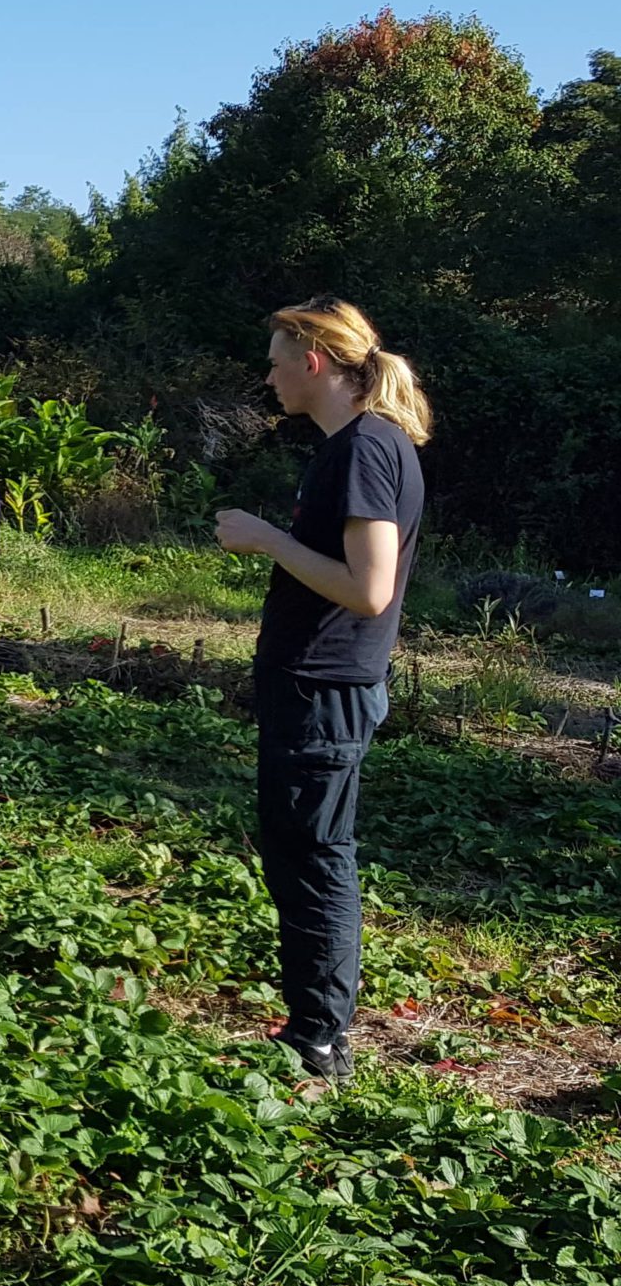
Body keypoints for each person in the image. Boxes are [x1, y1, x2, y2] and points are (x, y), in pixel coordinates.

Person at [215, 296, 429, 1084]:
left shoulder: (366, 448)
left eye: (275, 361)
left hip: (325, 689)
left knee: (314, 858)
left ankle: (317, 1041)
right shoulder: (356, 444)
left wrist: (266, 539)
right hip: (313, 685)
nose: (267, 377)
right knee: (300, 852)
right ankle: (313, 1027)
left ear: (314, 362)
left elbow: (369, 589)